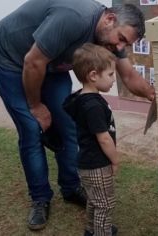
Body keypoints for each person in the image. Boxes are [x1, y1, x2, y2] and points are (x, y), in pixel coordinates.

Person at [0, 0, 155, 230]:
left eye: (125, 43)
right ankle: (40, 198)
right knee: (32, 128)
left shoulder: (112, 38)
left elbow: (129, 77)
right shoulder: (73, 17)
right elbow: (33, 62)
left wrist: (156, 96)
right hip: (11, 59)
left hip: (51, 63)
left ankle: (71, 186)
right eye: (121, 39)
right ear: (110, 19)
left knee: (68, 124)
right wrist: (36, 107)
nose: (119, 47)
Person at [63, 44, 118, 236]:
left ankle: (91, 230)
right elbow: (103, 138)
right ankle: (102, 232)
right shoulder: (93, 105)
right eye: (110, 74)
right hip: (97, 164)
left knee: (94, 200)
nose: (113, 79)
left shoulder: (82, 98)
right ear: (93, 75)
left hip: (85, 163)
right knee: (105, 204)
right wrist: (114, 159)